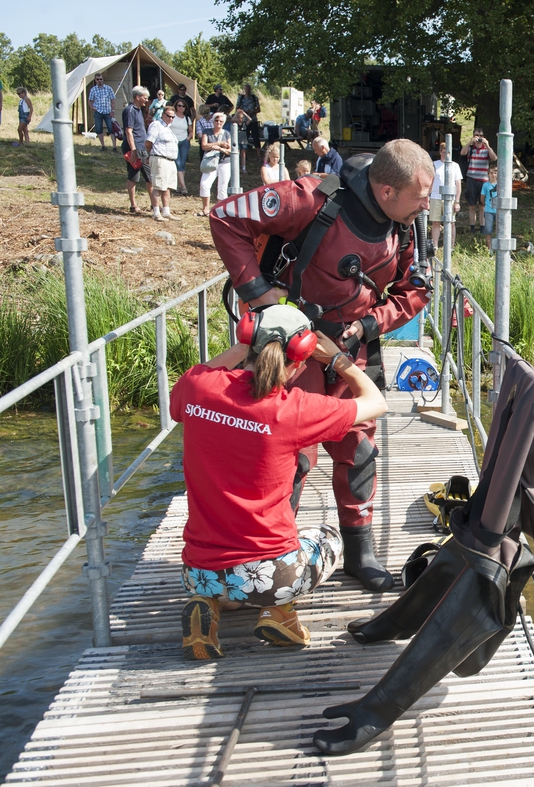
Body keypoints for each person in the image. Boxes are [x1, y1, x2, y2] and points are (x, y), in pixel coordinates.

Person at [210, 139, 435, 592]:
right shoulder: (311, 198)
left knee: (360, 452)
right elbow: (225, 216)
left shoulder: (407, 224)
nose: (427, 205)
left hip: (352, 347)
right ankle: (272, 553)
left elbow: (416, 288)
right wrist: (259, 294)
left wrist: (370, 324)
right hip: (293, 347)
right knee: (289, 455)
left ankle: (359, 551)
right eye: (420, 195)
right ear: (387, 191)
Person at [170, 304, 388, 660]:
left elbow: (205, 372)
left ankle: (206, 605)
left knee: (228, 582)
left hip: (197, 572)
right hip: (271, 575)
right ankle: (279, 612)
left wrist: (245, 345)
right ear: (299, 362)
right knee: (328, 538)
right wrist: (338, 360)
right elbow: (375, 402)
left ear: (248, 338)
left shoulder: (197, 388)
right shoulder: (293, 409)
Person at [144, 104, 181, 221]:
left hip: (170, 160)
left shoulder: (168, 128)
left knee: (167, 187)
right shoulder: (156, 125)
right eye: (169, 116)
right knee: (158, 186)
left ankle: (166, 211)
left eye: (173, 117)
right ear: (163, 114)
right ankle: (156, 212)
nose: (171, 119)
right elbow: (148, 142)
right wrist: (152, 154)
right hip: (160, 159)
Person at [459, 127, 496, 234]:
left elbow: (494, 158)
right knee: (472, 205)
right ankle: (472, 228)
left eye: (481, 136)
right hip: (471, 179)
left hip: (483, 180)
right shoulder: (470, 149)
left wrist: (487, 145)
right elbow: (462, 153)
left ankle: (482, 227)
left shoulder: (486, 149)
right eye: (476, 135)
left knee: (482, 205)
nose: (479, 138)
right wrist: (470, 142)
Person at [121, 87, 151, 212]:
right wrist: (133, 150)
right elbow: (129, 131)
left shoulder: (139, 110)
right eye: (145, 98)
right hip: (135, 148)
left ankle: (154, 204)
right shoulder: (130, 110)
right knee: (133, 176)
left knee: (150, 176)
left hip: (142, 147)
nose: (147, 100)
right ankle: (133, 205)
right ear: (137, 97)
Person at [198, 112, 232, 216]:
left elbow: (230, 150)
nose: (218, 122)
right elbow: (204, 146)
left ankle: (220, 210)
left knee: (222, 187)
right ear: (213, 121)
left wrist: (221, 149)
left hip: (224, 162)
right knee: (204, 184)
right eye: (216, 120)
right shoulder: (207, 132)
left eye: (221, 121)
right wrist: (218, 144)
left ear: (223, 122)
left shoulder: (226, 134)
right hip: (210, 162)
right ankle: (205, 209)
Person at [429, 142, 461, 250]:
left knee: (451, 222)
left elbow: (458, 184)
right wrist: (427, 196)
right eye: (444, 152)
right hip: (435, 197)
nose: (446, 154)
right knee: (436, 222)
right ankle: (435, 246)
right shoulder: (434, 165)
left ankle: (451, 246)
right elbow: (429, 181)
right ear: (440, 152)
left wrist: (457, 201)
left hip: (450, 198)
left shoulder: (455, 166)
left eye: (448, 152)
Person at [88, 73, 117, 151]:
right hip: (98, 112)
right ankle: (103, 146)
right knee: (99, 129)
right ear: (95, 80)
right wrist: (92, 107)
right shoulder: (93, 89)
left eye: (101, 79)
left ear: (103, 79)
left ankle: (114, 147)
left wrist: (112, 111)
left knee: (111, 129)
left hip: (108, 112)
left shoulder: (108, 88)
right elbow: (90, 100)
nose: (99, 81)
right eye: (98, 79)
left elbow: (112, 100)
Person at [170, 100, 194, 195]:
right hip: (174, 142)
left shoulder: (187, 118)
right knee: (178, 163)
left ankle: (179, 186)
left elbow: (191, 131)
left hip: (184, 142)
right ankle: (184, 187)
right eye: (179, 105)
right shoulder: (172, 117)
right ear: (176, 106)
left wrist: (188, 138)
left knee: (183, 164)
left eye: (183, 106)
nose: (181, 107)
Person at [237, 84, 261, 151]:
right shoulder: (241, 98)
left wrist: (252, 111)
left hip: (253, 120)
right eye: (246, 89)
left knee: (256, 137)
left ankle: (258, 153)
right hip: (244, 121)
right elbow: (237, 108)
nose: (247, 90)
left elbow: (258, 109)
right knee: (244, 137)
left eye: (249, 89)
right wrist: (244, 112)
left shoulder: (254, 98)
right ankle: (243, 153)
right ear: (244, 90)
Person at [481, 165, 498, 248]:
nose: (493, 175)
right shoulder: (485, 185)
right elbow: (482, 197)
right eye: (491, 173)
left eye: (495, 173)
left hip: (498, 211)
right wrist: (485, 205)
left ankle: (498, 247)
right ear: (488, 174)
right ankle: (489, 248)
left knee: (500, 229)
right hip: (488, 211)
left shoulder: (500, 185)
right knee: (488, 230)